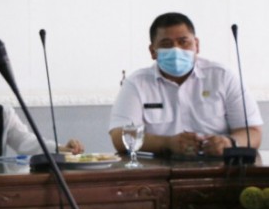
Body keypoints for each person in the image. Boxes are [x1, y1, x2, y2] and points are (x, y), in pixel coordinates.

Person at [109, 12, 263, 157]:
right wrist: (166, 143)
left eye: (183, 42)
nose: (176, 49)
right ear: (152, 51)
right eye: (166, 44)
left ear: (196, 45)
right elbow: (119, 136)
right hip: (159, 168)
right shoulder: (136, 83)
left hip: (219, 166)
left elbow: (253, 133)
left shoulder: (223, 77)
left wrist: (229, 143)